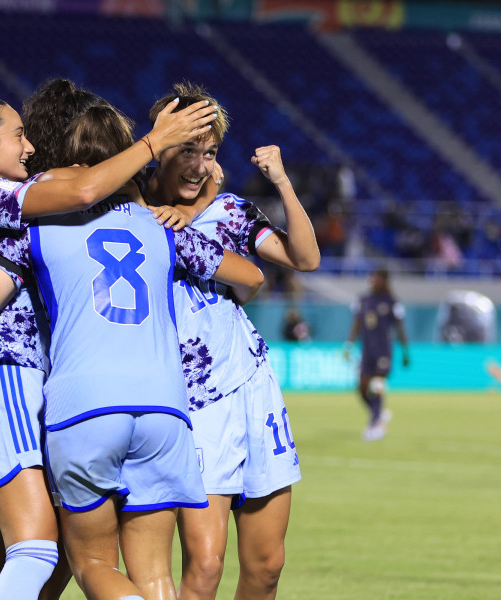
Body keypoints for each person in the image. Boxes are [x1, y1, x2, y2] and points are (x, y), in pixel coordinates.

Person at [0, 93, 217, 600]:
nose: (29, 148)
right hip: (6, 371)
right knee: (37, 552)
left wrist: (150, 204)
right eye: (17, 136)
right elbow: (85, 187)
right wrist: (155, 143)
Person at [143, 83, 320, 600]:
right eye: (187, 150)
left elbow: (305, 260)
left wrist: (283, 182)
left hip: (252, 387)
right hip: (193, 401)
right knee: (205, 566)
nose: (199, 165)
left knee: (266, 565)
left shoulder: (232, 211)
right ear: (159, 146)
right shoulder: (130, 209)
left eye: (210, 152)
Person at [344, 268, 410, 442]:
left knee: (377, 385)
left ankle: (374, 425)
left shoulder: (391, 302)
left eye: (376, 278)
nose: (373, 281)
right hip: (367, 350)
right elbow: (356, 323)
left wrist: (405, 351)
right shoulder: (363, 300)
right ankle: (378, 414)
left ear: (384, 280)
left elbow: (399, 327)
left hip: (383, 351)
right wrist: (349, 345)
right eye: (371, 278)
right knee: (362, 388)